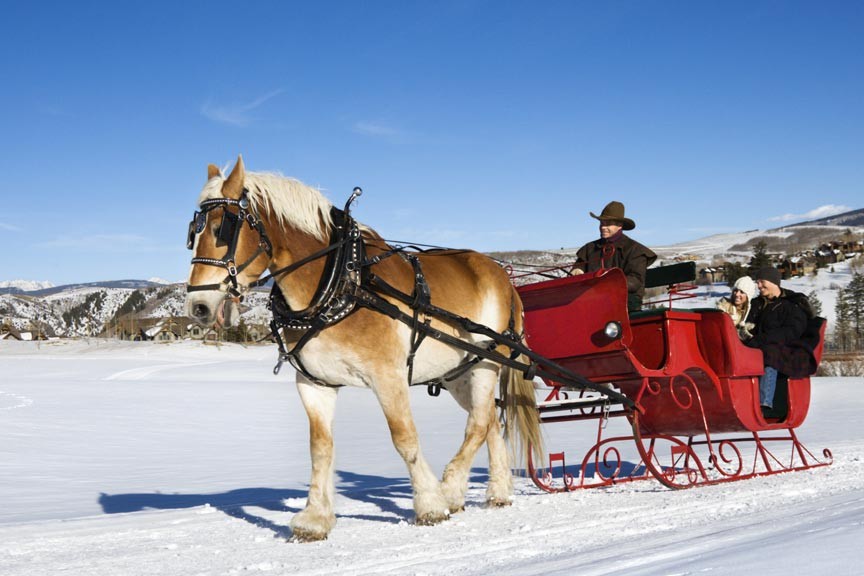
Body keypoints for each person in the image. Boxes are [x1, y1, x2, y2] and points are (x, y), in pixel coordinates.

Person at [743, 267, 818, 418]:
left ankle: (765, 403)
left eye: (762, 282)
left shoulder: (792, 305)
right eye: (757, 282)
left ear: (773, 282)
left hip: (785, 348)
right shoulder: (756, 304)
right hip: (755, 344)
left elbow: (792, 331)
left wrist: (761, 339)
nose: (759, 286)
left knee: (770, 354)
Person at [570, 201, 657, 312]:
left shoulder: (635, 250)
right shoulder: (589, 248)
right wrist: (577, 270)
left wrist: (606, 286)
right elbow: (579, 267)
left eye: (608, 224)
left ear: (619, 226)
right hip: (593, 300)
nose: (603, 227)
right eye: (602, 223)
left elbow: (635, 281)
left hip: (625, 300)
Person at [716, 275, 758, 340]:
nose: (737, 294)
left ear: (748, 296)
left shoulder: (751, 313)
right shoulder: (723, 309)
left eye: (742, 292)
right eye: (735, 290)